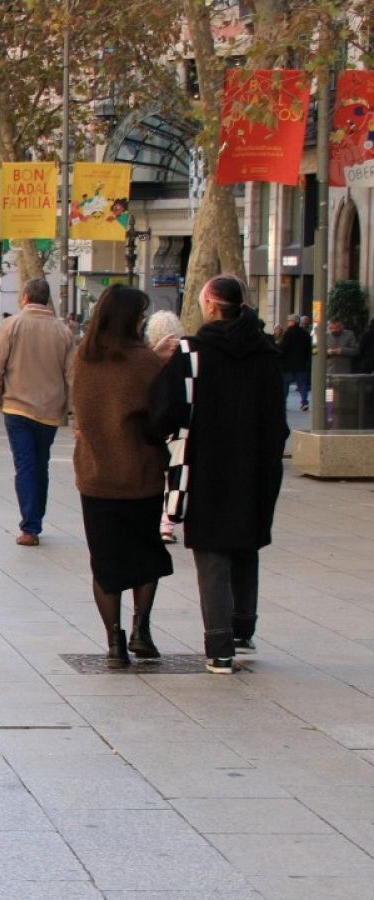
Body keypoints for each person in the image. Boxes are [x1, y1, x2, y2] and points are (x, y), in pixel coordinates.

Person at [149, 275, 287, 674]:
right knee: (245, 542)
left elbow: (165, 411)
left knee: (212, 553)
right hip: (256, 466)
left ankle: (220, 647)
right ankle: (243, 630)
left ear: (210, 304)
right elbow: (277, 419)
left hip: (205, 464)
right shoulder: (266, 352)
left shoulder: (192, 352)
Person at [70, 286, 174, 668]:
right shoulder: (143, 361)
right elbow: (159, 415)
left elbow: (80, 411)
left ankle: (114, 641)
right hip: (140, 473)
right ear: (131, 318)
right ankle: (141, 628)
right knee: (146, 552)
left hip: (96, 474)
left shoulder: (84, 357)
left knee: (106, 559)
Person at [0, 278, 77, 546]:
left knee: (25, 465)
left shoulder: (12, 325)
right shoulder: (63, 331)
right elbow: (72, 374)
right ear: (47, 299)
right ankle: (35, 519)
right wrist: (72, 410)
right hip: (49, 409)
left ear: (25, 297)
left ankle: (30, 526)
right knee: (41, 464)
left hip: (17, 406)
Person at [144, 311, 185, 543]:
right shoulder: (184, 357)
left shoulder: (150, 358)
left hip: (156, 423)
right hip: (178, 425)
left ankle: (161, 520)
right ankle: (167, 523)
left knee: (160, 474)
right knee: (175, 476)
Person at [277, 315, 311, 411]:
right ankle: (304, 402)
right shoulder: (305, 333)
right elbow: (309, 349)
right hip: (301, 364)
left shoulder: (288, 333)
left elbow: (284, 348)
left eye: (289, 321)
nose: (287, 322)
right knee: (302, 384)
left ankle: (283, 403)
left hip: (288, 364)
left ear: (292, 322)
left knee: (285, 385)